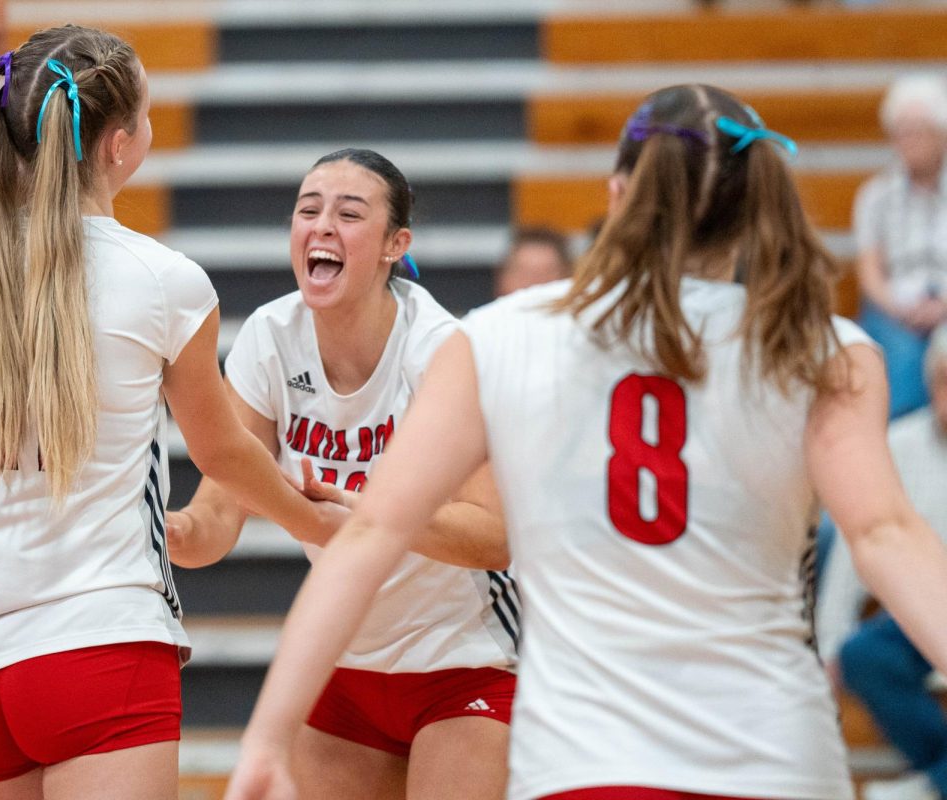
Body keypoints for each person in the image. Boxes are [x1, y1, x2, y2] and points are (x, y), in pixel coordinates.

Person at [223, 85, 947, 800]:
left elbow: (375, 529)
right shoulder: (826, 347)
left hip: (585, 757)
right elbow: (886, 536)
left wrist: (265, 736)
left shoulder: (502, 335)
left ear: (618, 193)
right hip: (773, 752)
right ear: (759, 199)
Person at [0, 25, 328, 800]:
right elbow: (224, 454)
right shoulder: (164, 280)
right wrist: (323, 526)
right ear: (118, 145)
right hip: (100, 645)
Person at [166, 148, 517, 800]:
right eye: (308, 209)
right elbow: (220, 512)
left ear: (394, 244)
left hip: (465, 660)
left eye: (348, 213)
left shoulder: (442, 348)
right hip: (345, 665)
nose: (322, 225)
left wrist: (373, 517)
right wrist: (173, 530)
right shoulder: (269, 338)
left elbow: (493, 535)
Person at [818, 324, 947, 800]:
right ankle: (940, 775)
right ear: (931, 381)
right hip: (917, 607)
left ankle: (933, 783)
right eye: (944, 379)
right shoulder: (895, 444)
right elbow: (862, 545)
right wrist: (828, 639)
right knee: (861, 655)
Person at [853, 74, 947, 418]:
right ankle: (902, 447)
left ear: (941, 134)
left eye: (919, 131)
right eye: (901, 132)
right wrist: (900, 309)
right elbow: (869, 270)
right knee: (901, 351)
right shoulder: (875, 195)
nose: (909, 141)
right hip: (895, 308)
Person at [493, 226, 573, 297]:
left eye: (547, 273)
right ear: (502, 280)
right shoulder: (483, 313)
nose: (534, 283)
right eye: (524, 274)